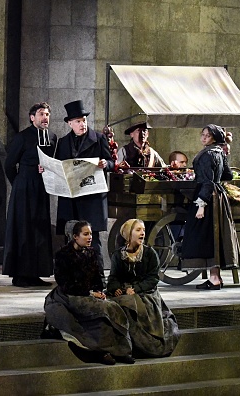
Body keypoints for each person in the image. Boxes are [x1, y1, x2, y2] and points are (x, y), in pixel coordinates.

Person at [44, 221, 135, 365]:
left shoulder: (91, 252)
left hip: (89, 294)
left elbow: (98, 278)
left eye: (91, 234)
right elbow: (65, 283)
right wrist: (90, 293)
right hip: (70, 295)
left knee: (113, 308)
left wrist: (99, 291)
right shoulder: (63, 255)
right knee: (104, 311)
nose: (90, 237)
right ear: (75, 236)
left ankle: (120, 351)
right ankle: (102, 352)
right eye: (85, 234)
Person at [55, 100, 115, 283]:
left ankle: (98, 278)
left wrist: (106, 164)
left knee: (92, 239)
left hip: (91, 198)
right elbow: (59, 166)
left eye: (84, 120)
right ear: (70, 123)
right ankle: (71, 278)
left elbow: (112, 163)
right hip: (71, 198)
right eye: (78, 121)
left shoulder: (98, 138)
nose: (82, 124)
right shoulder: (63, 142)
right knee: (70, 239)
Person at [180, 124, 240, 289]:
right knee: (214, 236)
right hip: (217, 195)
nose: (204, 138)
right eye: (203, 134)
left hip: (208, 197)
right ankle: (216, 277)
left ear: (214, 137)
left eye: (208, 135)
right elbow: (227, 174)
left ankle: (214, 278)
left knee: (209, 237)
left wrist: (201, 205)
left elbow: (208, 182)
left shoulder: (208, 154)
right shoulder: (219, 152)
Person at [2, 102, 57, 287]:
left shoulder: (52, 137)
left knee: (39, 229)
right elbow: (9, 164)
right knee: (23, 229)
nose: (45, 118)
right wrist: (19, 183)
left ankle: (35, 273)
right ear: (32, 117)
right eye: (41, 114)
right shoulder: (23, 137)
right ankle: (20, 275)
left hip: (42, 188)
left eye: (47, 114)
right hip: (24, 188)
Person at [107, 219, 180, 357]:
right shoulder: (118, 255)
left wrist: (136, 289)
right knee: (112, 305)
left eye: (143, 230)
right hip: (124, 291)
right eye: (138, 230)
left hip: (145, 292)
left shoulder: (149, 253)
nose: (142, 233)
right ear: (129, 234)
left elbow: (153, 278)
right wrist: (116, 288)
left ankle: (143, 346)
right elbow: (113, 277)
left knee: (134, 306)